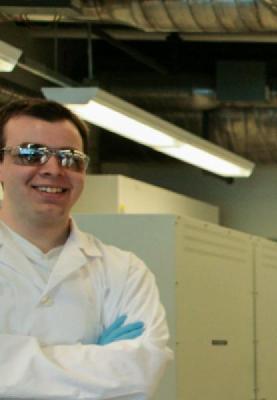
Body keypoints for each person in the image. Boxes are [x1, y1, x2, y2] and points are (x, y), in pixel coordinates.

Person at [0, 99, 172, 398]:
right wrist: (100, 362)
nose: (53, 169)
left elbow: (140, 374)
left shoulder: (125, 271)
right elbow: (122, 377)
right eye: (31, 154)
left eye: (70, 158)